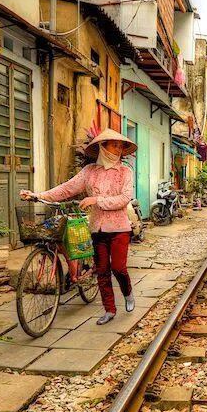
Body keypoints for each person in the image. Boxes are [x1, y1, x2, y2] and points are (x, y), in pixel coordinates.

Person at [20, 129, 138, 326]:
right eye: (114, 145)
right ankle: (109, 309)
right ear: (103, 146)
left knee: (118, 268)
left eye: (120, 146)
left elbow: (124, 199)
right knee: (102, 271)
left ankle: (128, 293)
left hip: (119, 228)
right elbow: (66, 189)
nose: (118, 149)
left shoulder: (126, 172)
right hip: (98, 228)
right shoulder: (89, 171)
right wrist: (37, 195)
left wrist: (96, 199)